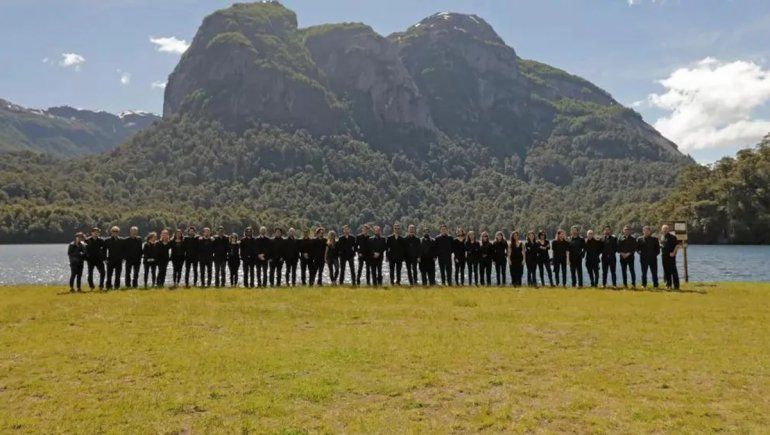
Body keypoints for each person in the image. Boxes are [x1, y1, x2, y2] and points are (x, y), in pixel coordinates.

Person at [660, 224, 681, 290]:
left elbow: (677, 245)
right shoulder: (662, 237)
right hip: (664, 256)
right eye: (664, 229)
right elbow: (662, 245)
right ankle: (668, 285)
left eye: (666, 229)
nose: (665, 230)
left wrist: (674, 253)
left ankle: (676, 286)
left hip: (671, 257)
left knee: (673, 271)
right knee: (666, 271)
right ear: (662, 230)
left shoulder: (673, 237)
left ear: (668, 229)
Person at [104, 226, 124, 290]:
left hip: (119, 260)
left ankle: (117, 286)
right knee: (109, 275)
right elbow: (104, 250)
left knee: (118, 275)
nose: (115, 233)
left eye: (116, 231)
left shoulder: (122, 240)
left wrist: (123, 258)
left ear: (118, 232)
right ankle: (108, 286)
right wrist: (105, 259)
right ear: (111, 232)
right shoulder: (107, 240)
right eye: (114, 231)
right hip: (110, 260)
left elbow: (124, 250)